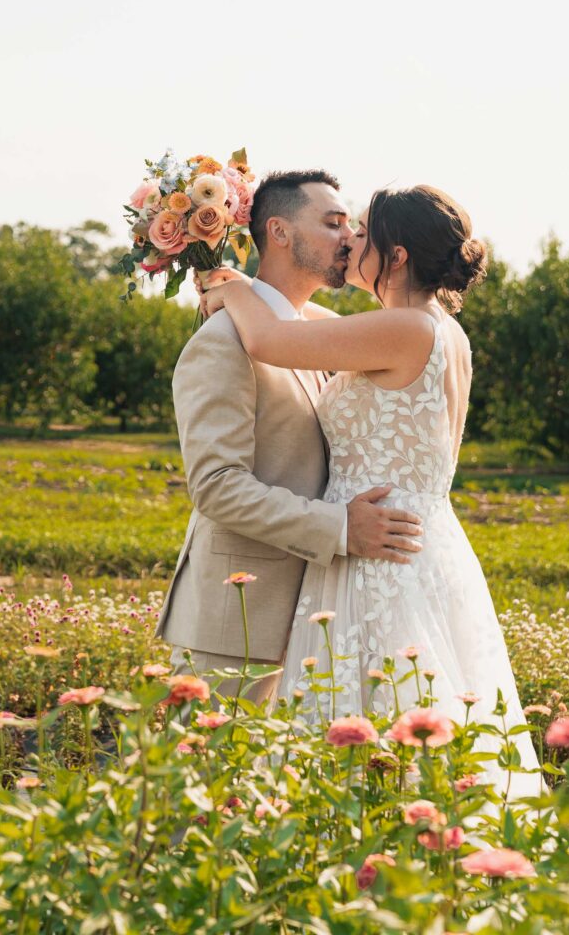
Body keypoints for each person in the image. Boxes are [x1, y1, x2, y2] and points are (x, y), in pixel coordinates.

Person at [199, 183, 542, 797]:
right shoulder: (432, 328)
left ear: (398, 255)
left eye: (362, 232)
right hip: (407, 538)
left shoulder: (402, 329)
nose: (351, 241)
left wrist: (231, 288)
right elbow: (300, 323)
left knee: (376, 729)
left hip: (374, 554)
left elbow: (271, 340)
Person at [154, 170, 425, 709]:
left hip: (323, 614)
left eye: (351, 225)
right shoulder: (224, 342)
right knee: (209, 788)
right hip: (238, 621)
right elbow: (217, 487)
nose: (348, 238)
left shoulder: (315, 331)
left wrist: (233, 287)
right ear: (278, 232)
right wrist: (340, 527)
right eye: (332, 223)